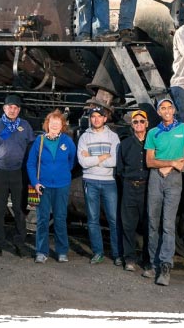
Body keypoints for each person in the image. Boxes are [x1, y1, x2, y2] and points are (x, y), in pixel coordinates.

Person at [143, 96, 184, 286]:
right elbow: (149, 161)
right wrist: (170, 163)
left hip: (174, 179)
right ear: (158, 112)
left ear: (173, 110)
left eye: (169, 108)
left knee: (167, 224)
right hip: (156, 178)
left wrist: (175, 165)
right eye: (162, 108)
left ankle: (165, 265)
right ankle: (152, 263)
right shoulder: (153, 133)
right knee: (152, 222)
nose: (166, 111)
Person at [0, 94, 35, 258]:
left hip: (18, 173)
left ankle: (20, 244)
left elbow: (30, 150)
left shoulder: (25, 126)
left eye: (15, 107)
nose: (12, 110)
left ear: (19, 110)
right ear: (4, 109)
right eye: (9, 107)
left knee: (20, 210)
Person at [26, 109, 76, 263]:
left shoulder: (67, 141)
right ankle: (41, 251)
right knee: (42, 219)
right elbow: (31, 164)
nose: (55, 125)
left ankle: (62, 251)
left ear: (62, 125)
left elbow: (72, 161)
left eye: (58, 123)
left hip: (62, 185)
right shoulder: (39, 141)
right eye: (52, 123)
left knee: (60, 218)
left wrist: (61, 174)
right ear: (47, 125)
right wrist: (35, 182)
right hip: (43, 186)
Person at [77, 104, 121, 265]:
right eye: (93, 117)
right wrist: (102, 157)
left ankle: (117, 254)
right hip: (90, 181)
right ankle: (98, 252)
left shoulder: (113, 136)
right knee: (92, 219)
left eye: (99, 117)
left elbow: (115, 160)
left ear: (104, 118)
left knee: (114, 219)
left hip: (109, 182)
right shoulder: (84, 137)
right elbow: (83, 162)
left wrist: (93, 159)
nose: (96, 119)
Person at [117, 109, 152, 272]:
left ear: (147, 124)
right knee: (128, 225)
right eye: (135, 122)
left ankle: (147, 259)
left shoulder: (152, 143)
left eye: (141, 121)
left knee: (147, 225)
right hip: (129, 187)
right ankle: (129, 258)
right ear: (132, 125)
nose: (139, 124)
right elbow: (120, 169)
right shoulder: (124, 145)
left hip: (147, 187)